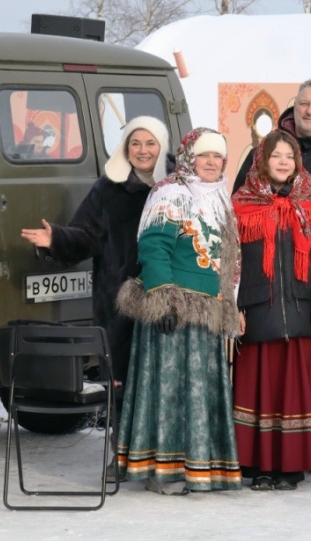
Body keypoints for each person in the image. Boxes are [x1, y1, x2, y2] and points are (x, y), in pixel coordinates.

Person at [21, 115, 170, 434]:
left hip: (168, 301)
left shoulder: (177, 186)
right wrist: (57, 238)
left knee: (166, 384)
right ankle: (123, 453)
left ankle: (167, 455)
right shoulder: (108, 189)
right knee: (123, 387)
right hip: (119, 306)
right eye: (135, 143)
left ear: (162, 146)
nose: (143, 150)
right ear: (126, 148)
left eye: (150, 143)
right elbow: (86, 235)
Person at [115, 127, 242, 495]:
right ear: (189, 158)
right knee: (169, 391)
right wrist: (164, 299)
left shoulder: (219, 198)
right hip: (173, 313)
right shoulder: (171, 194)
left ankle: (197, 467)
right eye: (204, 155)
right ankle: (163, 472)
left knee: (198, 394)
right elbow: (153, 247)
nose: (211, 162)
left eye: (217, 156)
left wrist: (230, 306)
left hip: (206, 314)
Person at [233, 77, 311, 477]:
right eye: (304, 104)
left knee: (302, 386)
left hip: (301, 307)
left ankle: (303, 458)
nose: (310, 111)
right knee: (260, 387)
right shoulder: (242, 204)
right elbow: (232, 260)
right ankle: (256, 460)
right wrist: (235, 307)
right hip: (259, 309)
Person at [234, 78, 311, 196]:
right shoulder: (260, 154)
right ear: (295, 106)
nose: (310, 111)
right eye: (304, 104)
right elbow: (238, 202)